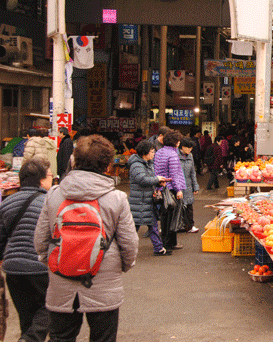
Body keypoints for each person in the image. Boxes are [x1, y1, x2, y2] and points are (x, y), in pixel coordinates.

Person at [34, 135, 138, 342]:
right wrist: (121, 267)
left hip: (61, 277)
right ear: (108, 166)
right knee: (103, 338)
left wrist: (54, 263)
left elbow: (40, 240)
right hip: (104, 280)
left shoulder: (54, 194)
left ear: (74, 161)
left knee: (61, 337)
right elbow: (130, 244)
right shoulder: (116, 198)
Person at [0, 157, 53, 342]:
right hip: (39, 267)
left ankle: (27, 337)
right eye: (49, 176)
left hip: (13, 269)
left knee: (26, 317)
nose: (52, 179)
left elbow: (1, 237)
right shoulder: (49, 203)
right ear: (40, 179)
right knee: (50, 306)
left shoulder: (7, 202)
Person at [127, 140, 171, 256]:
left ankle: (159, 248)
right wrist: (157, 179)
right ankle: (126, 250)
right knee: (133, 228)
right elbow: (142, 180)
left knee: (153, 225)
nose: (154, 154)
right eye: (152, 152)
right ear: (145, 153)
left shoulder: (148, 163)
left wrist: (158, 182)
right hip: (139, 201)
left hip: (147, 200)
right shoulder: (136, 165)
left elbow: (148, 179)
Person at [153, 130, 187, 251]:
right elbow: (174, 174)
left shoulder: (159, 152)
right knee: (172, 217)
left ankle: (168, 242)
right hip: (171, 189)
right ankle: (169, 243)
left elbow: (156, 170)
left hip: (161, 187)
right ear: (175, 142)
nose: (179, 143)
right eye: (178, 141)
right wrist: (178, 189)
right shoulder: (172, 155)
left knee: (164, 216)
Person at [179, 138, 200, 233]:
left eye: (191, 148)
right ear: (182, 147)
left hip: (187, 185)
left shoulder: (190, 156)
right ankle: (177, 225)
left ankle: (190, 226)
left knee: (189, 207)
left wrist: (195, 186)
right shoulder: (175, 156)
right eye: (188, 148)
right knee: (177, 207)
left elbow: (192, 172)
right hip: (178, 185)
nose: (190, 150)